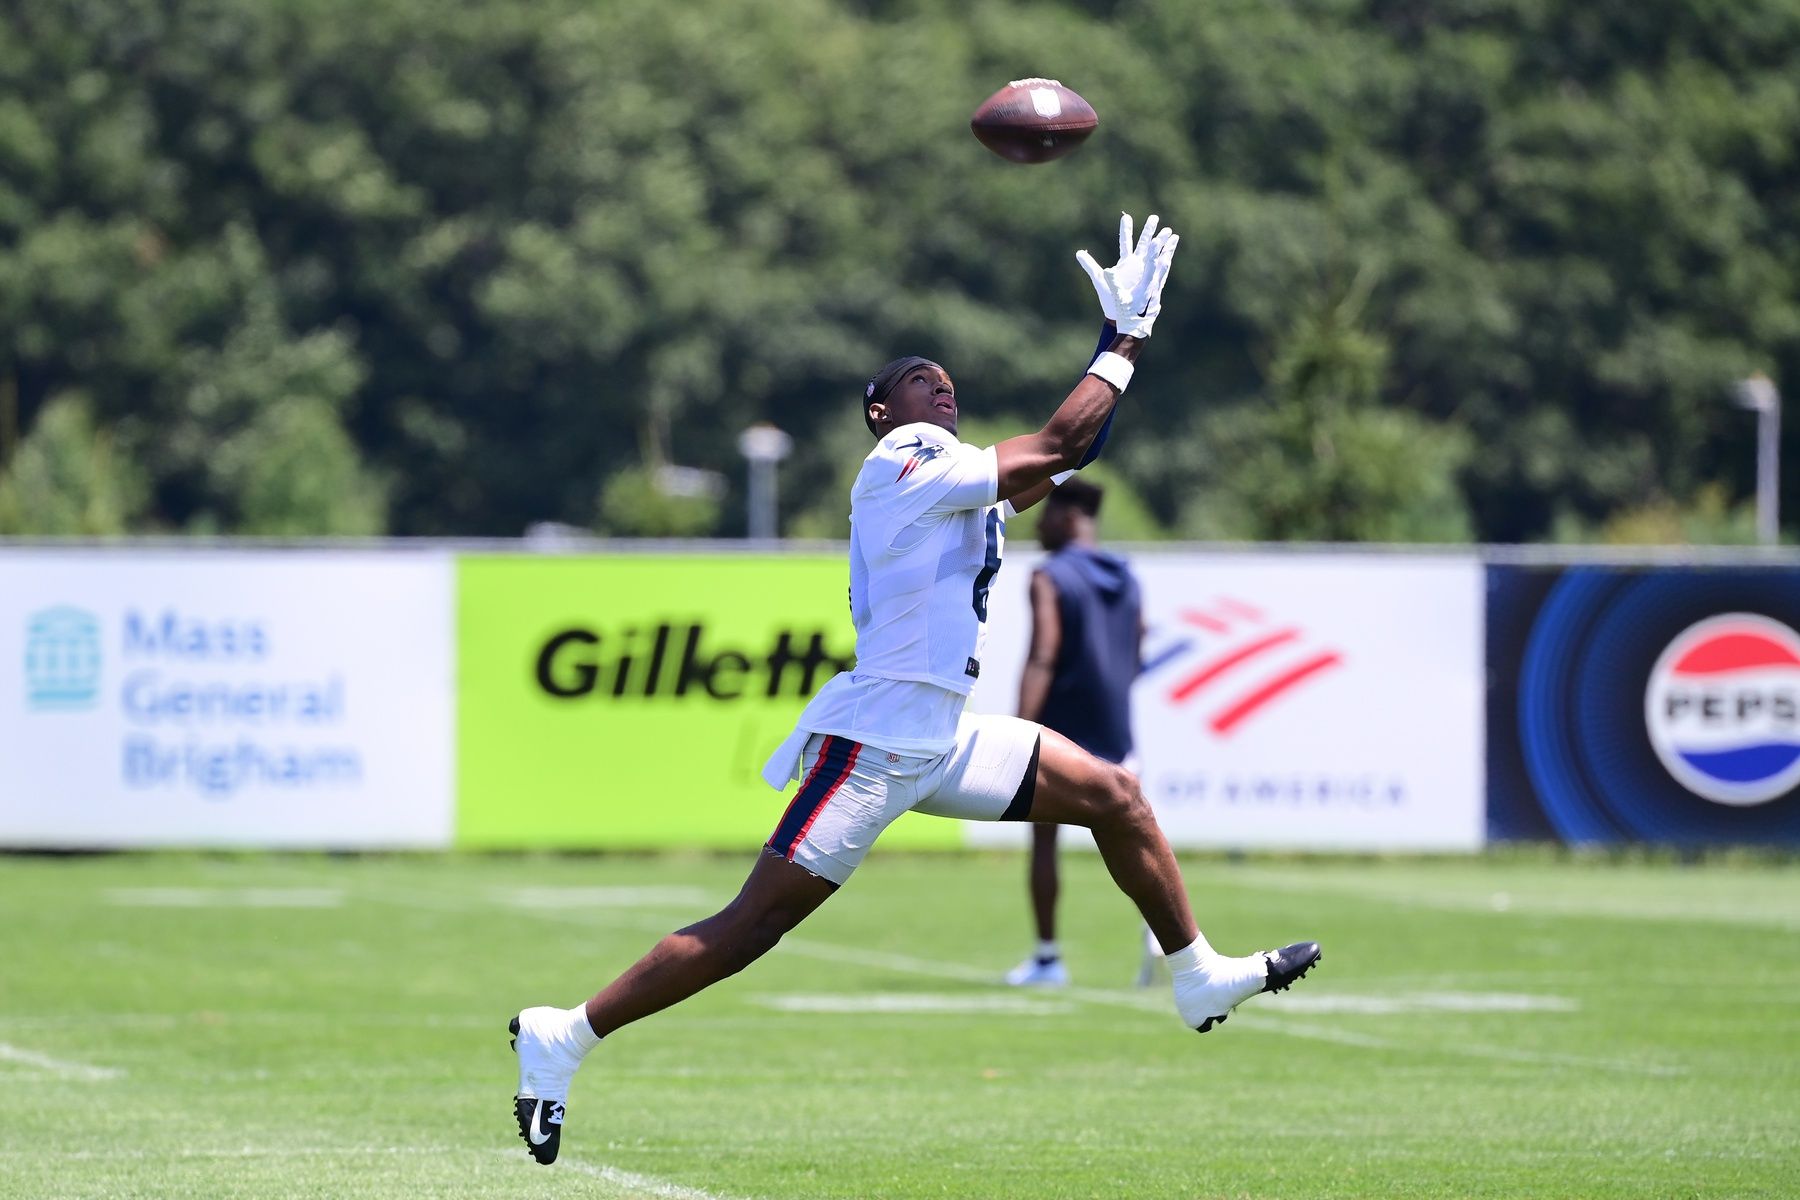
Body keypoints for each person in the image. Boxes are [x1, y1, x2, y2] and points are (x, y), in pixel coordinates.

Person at [506, 214, 1320, 1167]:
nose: (940, 382)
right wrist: (1128, 342)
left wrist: (1111, 341)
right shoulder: (904, 460)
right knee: (752, 926)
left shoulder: (950, 478)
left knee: (1116, 796)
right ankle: (561, 1037)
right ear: (881, 414)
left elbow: (1067, 452)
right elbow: (1059, 436)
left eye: (947, 381)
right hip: (877, 743)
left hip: (941, 734)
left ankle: (1197, 975)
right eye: (915, 380)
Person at [1000, 477, 1157, 990]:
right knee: (1136, 838)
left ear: (1068, 518)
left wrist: (1019, 727)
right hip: (1116, 732)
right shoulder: (1128, 577)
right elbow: (1137, 649)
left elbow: (1044, 652)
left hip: (1061, 735)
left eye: (1045, 516)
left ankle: (1047, 959)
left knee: (1043, 841)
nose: (1038, 526)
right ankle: (1163, 941)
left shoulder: (1049, 576)